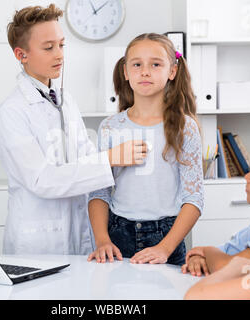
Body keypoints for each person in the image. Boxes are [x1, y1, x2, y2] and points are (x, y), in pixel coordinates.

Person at [0, 5, 147, 255]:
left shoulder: (65, 101)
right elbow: (41, 180)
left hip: (77, 232)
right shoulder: (12, 112)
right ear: (21, 54)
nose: (59, 55)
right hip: (38, 242)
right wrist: (110, 159)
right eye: (48, 47)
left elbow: (84, 155)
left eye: (61, 45)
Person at [87, 33, 203, 266]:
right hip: (117, 236)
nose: (145, 71)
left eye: (156, 64)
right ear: (126, 72)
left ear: (172, 71)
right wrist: (102, 240)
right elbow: (99, 192)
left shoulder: (185, 127)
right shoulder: (110, 127)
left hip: (167, 237)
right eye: (137, 64)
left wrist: (164, 248)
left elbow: (194, 198)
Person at [185, 134, 250, 300]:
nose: (246, 177)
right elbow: (225, 253)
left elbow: (198, 292)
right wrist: (205, 256)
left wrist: (207, 251)